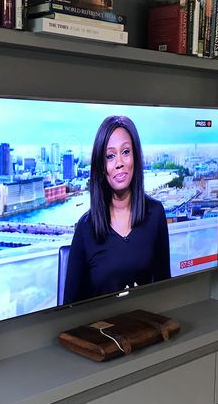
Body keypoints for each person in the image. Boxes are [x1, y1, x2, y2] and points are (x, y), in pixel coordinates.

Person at [63, 115, 171, 305]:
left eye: (126, 152)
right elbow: (68, 309)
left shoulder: (155, 214)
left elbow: (166, 291)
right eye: (110, 156)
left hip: (144, 326)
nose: (119, 162)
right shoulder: (85, 228)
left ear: (135, 157)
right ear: (101, 167)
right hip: (97, 331)